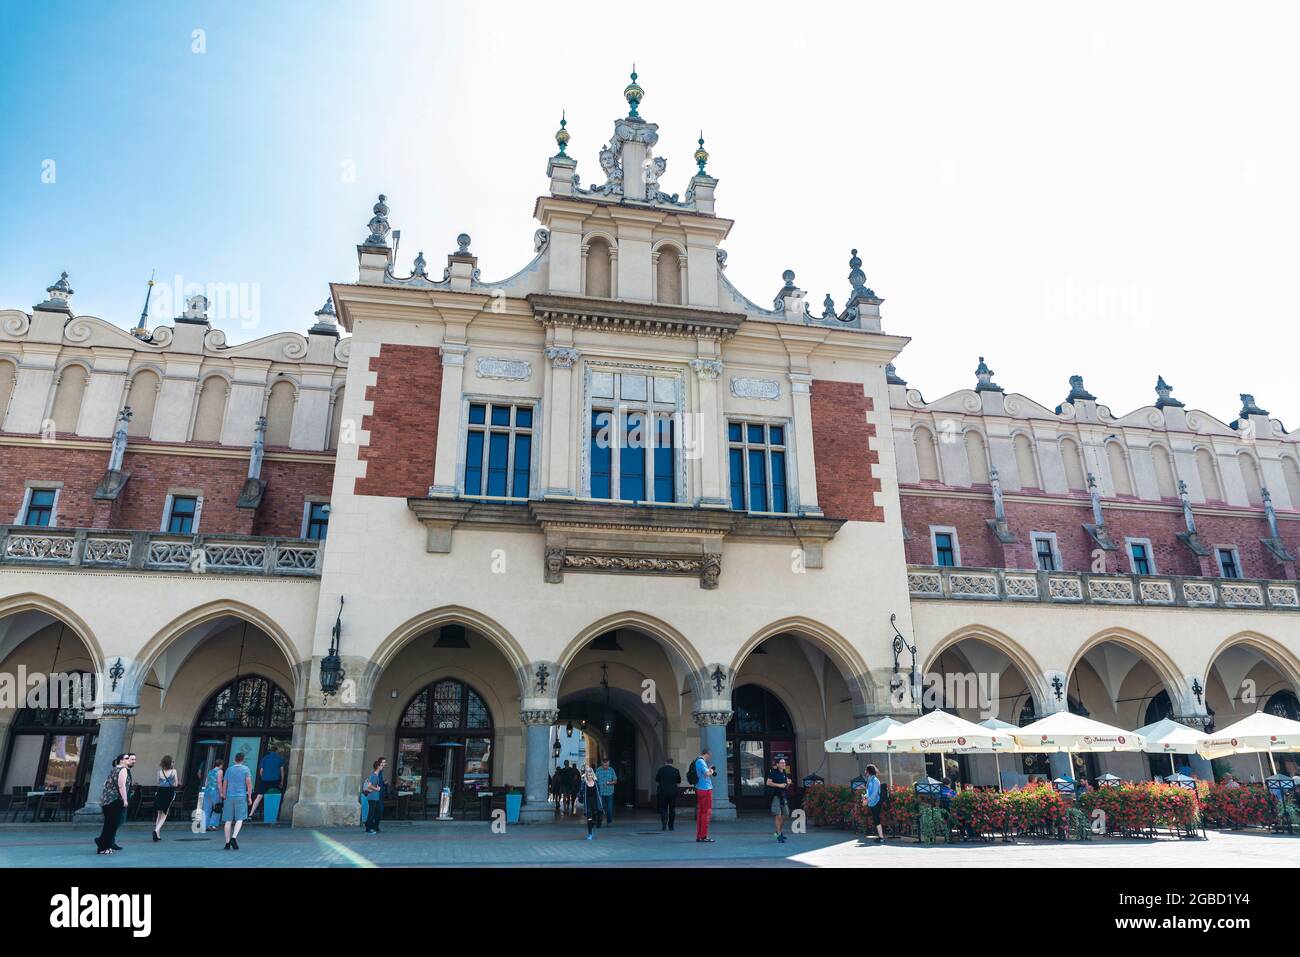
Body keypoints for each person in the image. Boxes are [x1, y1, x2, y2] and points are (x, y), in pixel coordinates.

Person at [94, 753, 133, 855]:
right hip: (115, 800)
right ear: (121, 760)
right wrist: (125, 800)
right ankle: (103, 846)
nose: (129, 759)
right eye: (126, 758)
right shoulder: (123, 770)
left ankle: (104, 844)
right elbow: (122, 786)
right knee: (112, 825)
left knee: (109, 824)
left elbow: (105, 783)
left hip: (107, 800)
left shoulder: (114, 769)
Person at [221, 752, 253, 850]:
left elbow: (225, 783)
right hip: (241, 796)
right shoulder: (246, 769)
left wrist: (224, 794)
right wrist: (249, 797)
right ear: (243, 760)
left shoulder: (229, 770)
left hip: (229, 796)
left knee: (228, 820)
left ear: (234, 759)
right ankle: (234, 837)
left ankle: (227, 843)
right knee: (239, 819)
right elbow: (249, 784)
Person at [249, 747, 286, 821]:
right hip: (276, 780)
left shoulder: (265, 758)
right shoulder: (279, 758)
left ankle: (250, 814)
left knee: (259, 797)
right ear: (277, 751)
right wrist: (282, 781)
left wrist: (263, 778)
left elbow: (261, 770)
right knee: (275, 796)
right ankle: (275, 815)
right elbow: (282, 771)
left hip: (265, 780)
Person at [693, 748, 717, 843]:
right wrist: (711, 770)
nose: (709, 757)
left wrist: (709, 770)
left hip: (700, 788)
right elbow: (707, 773)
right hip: (705, 789)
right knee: (706, 813)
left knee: (701, 813)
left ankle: (700, 836)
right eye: (709, 756)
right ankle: (703, 836)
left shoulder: (698, 761)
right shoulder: (701, 761)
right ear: (707, 754)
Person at [153, 755, 178, 842]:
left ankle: (158, 834)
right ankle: (156, 831)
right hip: (169, 792)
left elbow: (158, 782)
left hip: (160, 791)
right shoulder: (174, 771)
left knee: (159, 813)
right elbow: (176, 784)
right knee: (165, 813)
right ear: (170, 763)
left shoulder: (159, 772)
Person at [766, 757, 791, 843]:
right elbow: (768, 782)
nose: (783, 764)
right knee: (778, 815)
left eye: (784, 763)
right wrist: (779, 785)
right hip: (775, 796)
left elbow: (785, 787)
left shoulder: (784, 772)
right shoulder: (773, 772)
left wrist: (788, 784)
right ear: (777, 764)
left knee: (786, 813)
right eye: (781, 763)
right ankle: (779, 834)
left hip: (783, 796)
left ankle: (778, 831)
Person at [654, 757, 681, 831]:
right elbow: (678, 780)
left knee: (663, 808)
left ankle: (664, 822)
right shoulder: (676, 770)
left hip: (663, 791)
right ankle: (671, 825)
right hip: (673, 792)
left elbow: (657, 779)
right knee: (672, 808)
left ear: (665, 762)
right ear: (672, 763)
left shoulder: (661, 770)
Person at [861, 763, 885, 843]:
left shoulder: (875, 780)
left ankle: (881, 838)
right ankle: (880, 836)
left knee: (876, 818)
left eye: (866, 770)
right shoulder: (870, 779)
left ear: (869, 771)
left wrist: (867, 801)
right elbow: (869, 792)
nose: (865, 771)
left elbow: (874, 794)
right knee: (875, 819)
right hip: (872, 802)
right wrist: (865, 796)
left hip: (876, 802)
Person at [363, 757, 386, 834]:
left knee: (374, 812)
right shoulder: (374, 775)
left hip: (375, 797)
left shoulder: (377, 774)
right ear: (378, 766)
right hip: (373, 796)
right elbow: (369, 785)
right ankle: (368, 828)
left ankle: (371, 826)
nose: (383, 766)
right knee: (371, 813)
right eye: (381, 765)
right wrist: (377, 789)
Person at [201, 759, 224, 831]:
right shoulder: (220, 771)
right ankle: (213, 825)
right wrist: (221, 792)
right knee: (217, 808)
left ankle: (205, 825)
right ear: (221, 765)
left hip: (207, 791)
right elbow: (219, 782)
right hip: (215, 791)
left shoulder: (210, 771)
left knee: (206, 809)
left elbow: (206, 782)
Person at [580, 766, 602, 841]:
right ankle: (590, 834)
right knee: (589, 818)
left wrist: (600, 802)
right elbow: (581, 792)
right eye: (588, 775)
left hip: (595, 802)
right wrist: (579, 797)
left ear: (593, 775)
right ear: (586, 775)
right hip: (588, 802)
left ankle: (591, 828)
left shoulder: (596, 783)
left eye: (591, 775)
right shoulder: (584, 783)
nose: (589, 776)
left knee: (594, 819)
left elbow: (599, 793)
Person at [595, 757, 618, 826]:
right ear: (602, 764)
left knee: (609, 809)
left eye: (607, 765)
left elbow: (615, 781)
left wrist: (610, 783)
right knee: (599, 808)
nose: (605, 766)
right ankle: (599, 822)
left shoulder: (611, 770)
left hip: (609, 792)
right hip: (600, 793)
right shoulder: (598, 770)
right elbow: (595, 780)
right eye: (604, 765)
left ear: (609, 763)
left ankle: (609, 822)